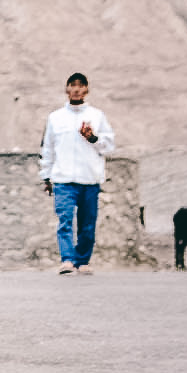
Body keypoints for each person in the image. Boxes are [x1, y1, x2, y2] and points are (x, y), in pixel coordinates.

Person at [39, 73, 115, 275]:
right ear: (67, 89)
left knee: (87, 223)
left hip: (89, 178)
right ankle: (67, 259)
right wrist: (46, 176)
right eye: (73, 85)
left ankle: (83, 260)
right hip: (63, 179)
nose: (76, 89)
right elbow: (48, 148)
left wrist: (92, 138)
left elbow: (108, 146)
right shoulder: (55, 118)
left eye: (81, 86)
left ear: (87, 90)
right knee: (64, 219)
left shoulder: (97, 116)